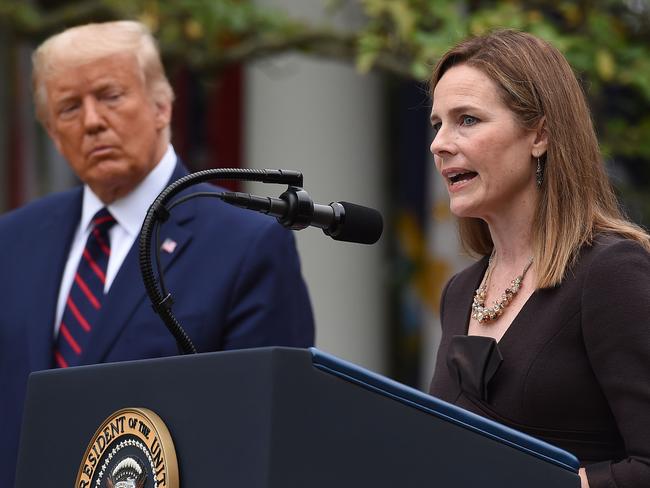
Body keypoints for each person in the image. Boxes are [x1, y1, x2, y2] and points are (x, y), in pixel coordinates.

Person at [0, 20, 314, 487]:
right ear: (50, 129)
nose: (91, 121)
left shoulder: (245, 245)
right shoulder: (13, 240)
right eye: (69, 107)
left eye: (110, 96)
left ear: (162, 104)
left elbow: (272, 431)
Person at [427, 29, 650, 488]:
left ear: (540, 135)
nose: (440, 144)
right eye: (437, 124)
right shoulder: (460, 291)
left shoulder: (610, 272)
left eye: (467, 120)